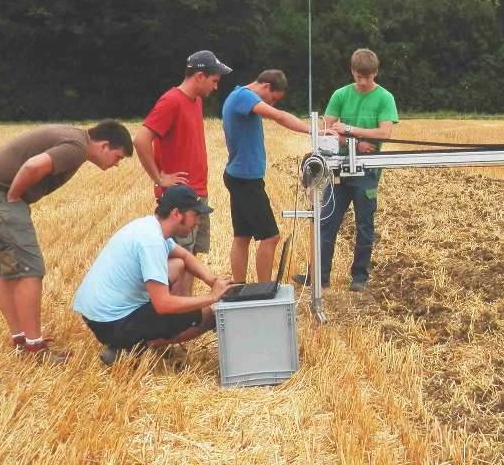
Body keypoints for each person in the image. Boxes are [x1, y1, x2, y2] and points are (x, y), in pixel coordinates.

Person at [0, 120, 133, 360]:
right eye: (118, 157)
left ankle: (21, 339)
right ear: (104, 145)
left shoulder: (75, 139)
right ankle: (35, 348)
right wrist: (13, 196)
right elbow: (33, 166)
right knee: (30, 270)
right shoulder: (76, 147)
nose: (116, 164)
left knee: (4, 267)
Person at [73, 185, 234, 366]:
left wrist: (212, 280)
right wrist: (212, 297)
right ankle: (131, 348)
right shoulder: (152, 242)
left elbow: (185, 256)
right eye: (195, 215)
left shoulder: (149, 226)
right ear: (176, 214)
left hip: (98, 314)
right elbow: (163, 305)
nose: (198, 222)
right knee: (207, 317)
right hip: (111, 322)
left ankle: (130, 342)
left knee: (178, 264)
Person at [296, 48, 398, 292]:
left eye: (368, 77)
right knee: (326, 220)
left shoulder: (385, 98)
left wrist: (350, 130)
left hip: (367, 172)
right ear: (352, 71)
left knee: (365, 224)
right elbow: (328, 130)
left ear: (375, 72)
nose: (363, 82)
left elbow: (384, 133)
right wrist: (352, 141)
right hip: (337, 169)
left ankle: (360, 276)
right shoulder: (340, 95)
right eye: (359, 77)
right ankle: (320, 275)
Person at [133, 50, 231, 296]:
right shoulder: (171, 101)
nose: (216, 87)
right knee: (179, 259)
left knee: (191, 257)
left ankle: (185, 314)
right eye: (214, 81)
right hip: (180, 198)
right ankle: (174, 315)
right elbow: (141, 139)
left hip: (198, 193)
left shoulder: (196, 101)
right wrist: (159, 178)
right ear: (199, 75)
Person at [221, 69, 311, 283]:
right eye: (273, 98)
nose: (272, 104)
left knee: (242, 236)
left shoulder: (237, 96)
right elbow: (279, 117)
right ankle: (265, 290)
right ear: (266, 86)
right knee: (271, 237)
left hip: (239, 175)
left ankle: (239, 286)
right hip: (246, 179)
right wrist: (314, 130)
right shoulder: (244, 96)